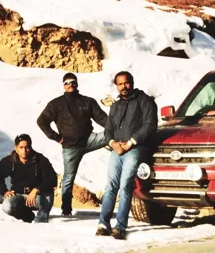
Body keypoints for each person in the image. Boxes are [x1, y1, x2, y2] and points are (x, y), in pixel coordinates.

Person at [37, 72, 109, 216]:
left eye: (73, 82)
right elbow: (41, 121)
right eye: (67, 82)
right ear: (63, 85)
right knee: (68, 178)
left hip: (90, 139)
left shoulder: (88, 101)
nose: (70, 85)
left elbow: (102, 119)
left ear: (77, 84)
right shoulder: (56, 104)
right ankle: (66, 209)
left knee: (112, 133)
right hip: (71, 146)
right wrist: (56, 138)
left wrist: (115, 131)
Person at [96, 71, 157, 240]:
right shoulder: (116, 106)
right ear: (117, 85)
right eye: (120, 84)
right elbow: (109, 129)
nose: (124, 87)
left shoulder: (145, 101)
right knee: (110, 186)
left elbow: (149, 125)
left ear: (132, 82)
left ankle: (120, 226)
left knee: (125, 185)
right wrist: (113, 143)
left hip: (135, 147)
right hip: (117, 149)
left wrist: (130, 143)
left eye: (127, 83)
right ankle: (103, 223)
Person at [0, 133, 57, 223]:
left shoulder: (41, 160)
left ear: (31, 147)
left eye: (27, 147)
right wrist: (4, 191)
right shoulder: (9, 161)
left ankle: (41, 220)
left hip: (38, 197)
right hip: (19, 195)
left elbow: (51, 179)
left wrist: (36, 190)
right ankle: (28, 216)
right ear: (16, 148)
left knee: (48, 194)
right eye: (21, 147)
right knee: (7, 206)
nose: (24, 150)